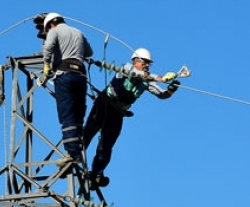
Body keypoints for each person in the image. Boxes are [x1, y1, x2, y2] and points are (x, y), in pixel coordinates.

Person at [83, 48, 180, 188]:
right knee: (90, 131)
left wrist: (170, 90)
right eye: (144, 62)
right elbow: (137, 74)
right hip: (104, 104)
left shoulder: (148, 80)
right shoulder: (126, 68)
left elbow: (161, 94)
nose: (146, 65)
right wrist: (161, 77)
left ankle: (97, 173)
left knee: (107, 144)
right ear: (135, 60)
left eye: (148, 63)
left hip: (118, 112)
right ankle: (74, 155)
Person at [41, 12, 94, 166]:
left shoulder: (54, 31)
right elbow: (89, 53)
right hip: (81, 76)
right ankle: (77, 149)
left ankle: (72, 153)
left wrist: (46, 65)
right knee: (78, 116)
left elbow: (48, 47)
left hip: (65, 75)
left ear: (50, 24)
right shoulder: (78, 32)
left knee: (67, 114)